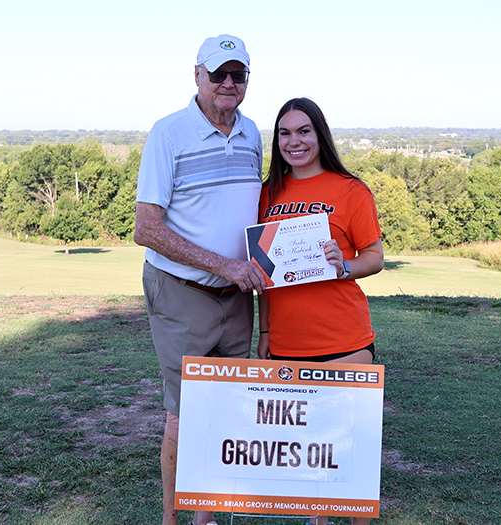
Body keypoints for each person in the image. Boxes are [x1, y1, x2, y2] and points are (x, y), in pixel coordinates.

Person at [133, 34, 266, 525]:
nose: (228, 84)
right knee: (185, 414)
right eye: (219, 74)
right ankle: (173, 519)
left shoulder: (252, 133)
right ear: (198, 76)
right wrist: (224, 265)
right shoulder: (168, 133)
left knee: (225, 410)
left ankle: (203, 520)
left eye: (239, 75)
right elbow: (146, 229)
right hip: (182, 292)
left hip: (237, 296)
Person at [256, 97, 384, 525]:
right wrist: (265, 334)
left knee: (348, 457)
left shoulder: (350, 190)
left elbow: (374, 258)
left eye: (304, 131)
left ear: (320, 135)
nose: (295, 141)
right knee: (310, 456)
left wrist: (342, 264)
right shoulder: (267, 194)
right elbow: (262, 272)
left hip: (343, 340)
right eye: (285, 132)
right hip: (288, 343)